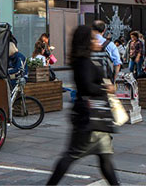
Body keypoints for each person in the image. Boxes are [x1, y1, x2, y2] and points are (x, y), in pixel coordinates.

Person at [47, 25, 119, 185]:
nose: (97, 41)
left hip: (97, 118)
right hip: (89, 119)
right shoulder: (83, 62)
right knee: (72, 155)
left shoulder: (86, 59)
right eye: (93, 39)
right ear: (86, 41)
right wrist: (105, 88)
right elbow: (87, 87)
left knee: (105, 159)